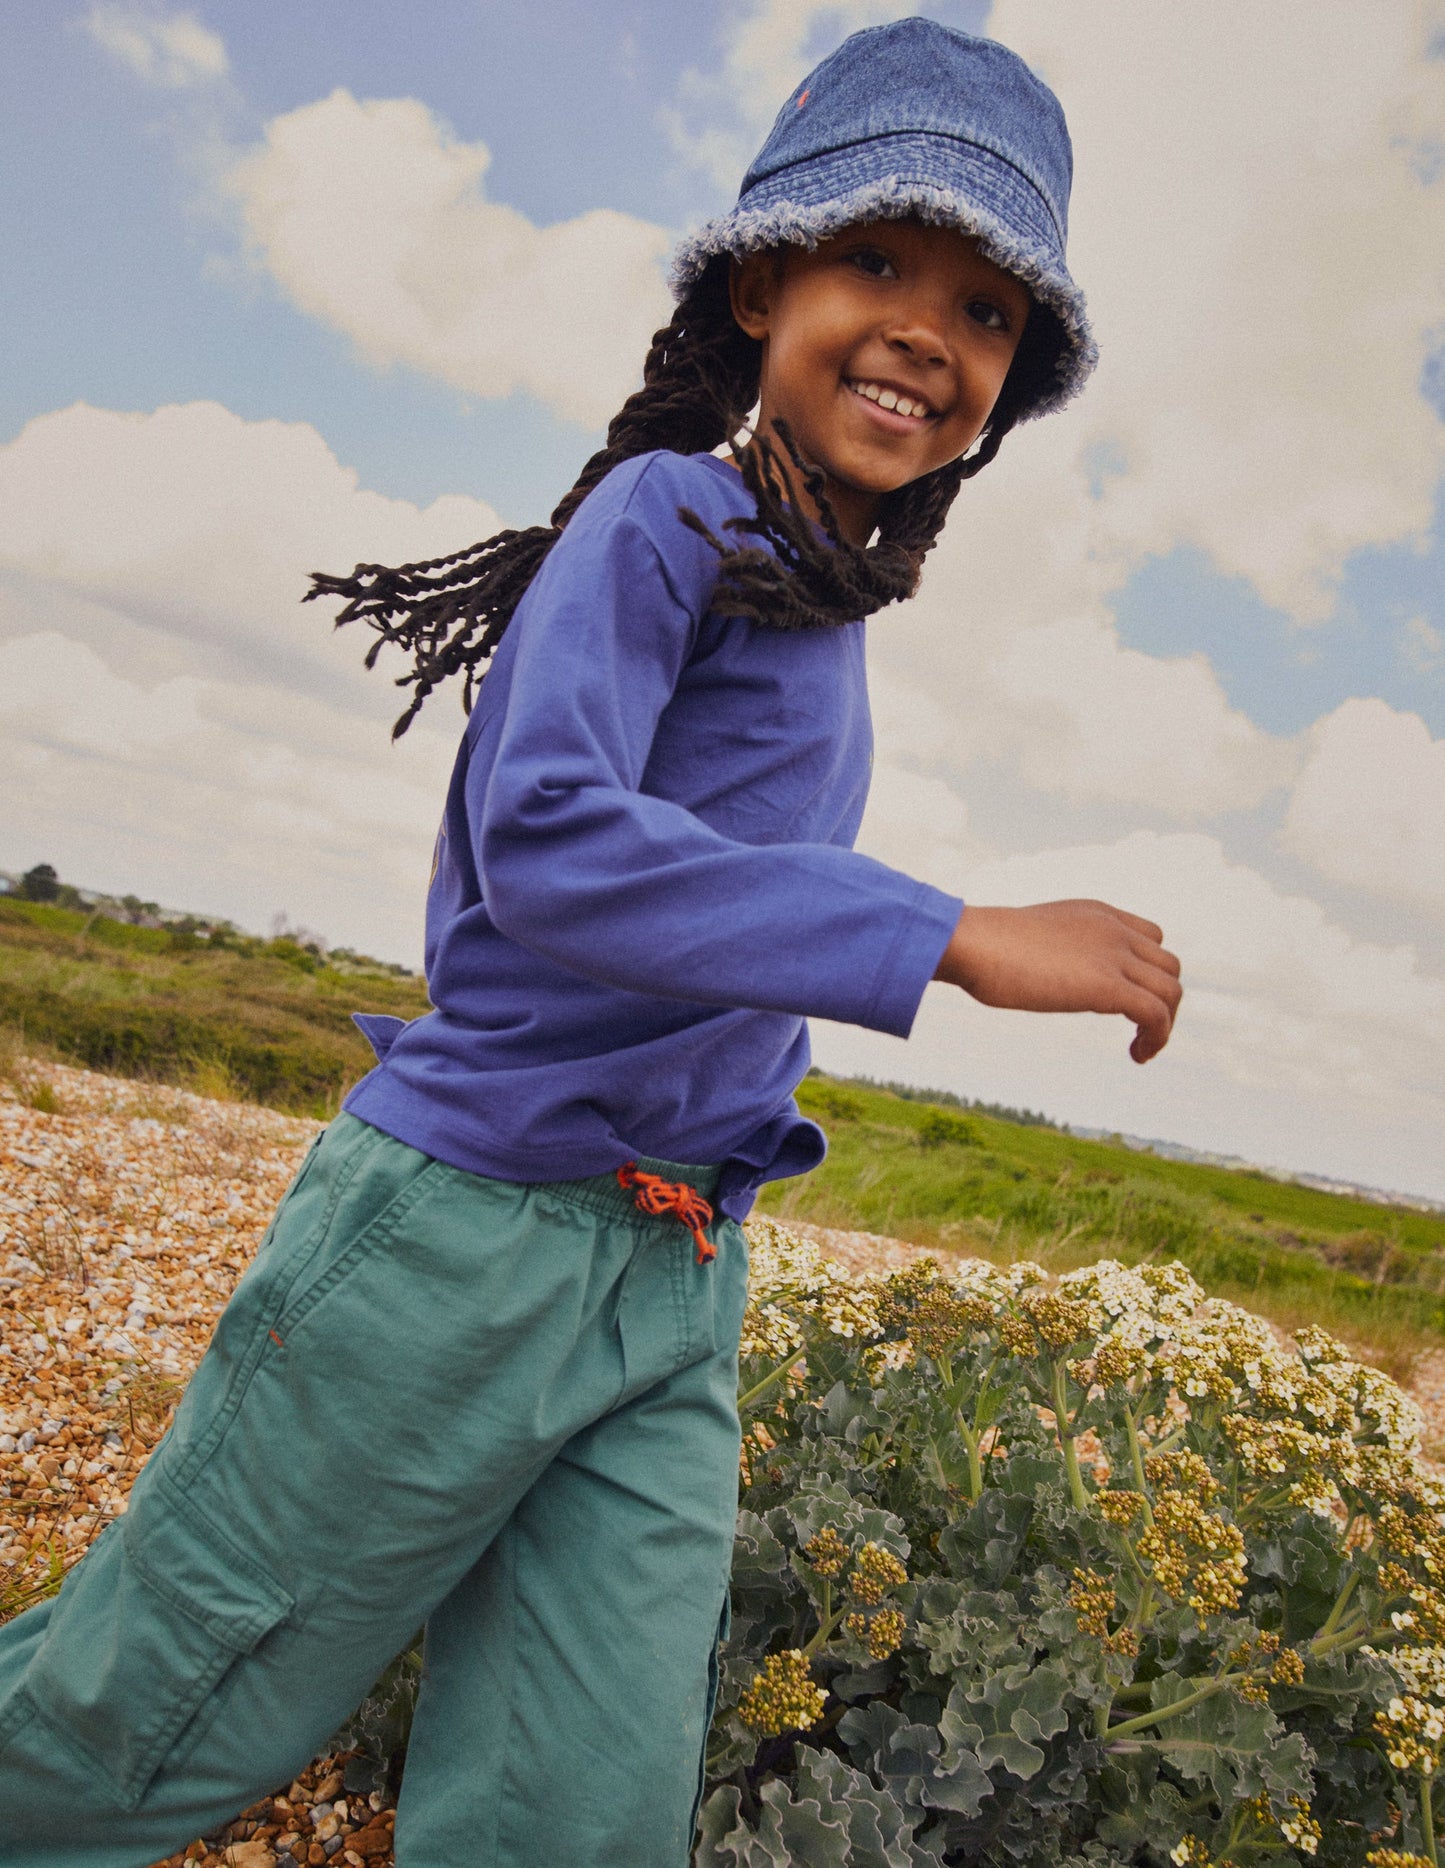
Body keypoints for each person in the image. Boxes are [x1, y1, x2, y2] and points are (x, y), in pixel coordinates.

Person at [0, 18, 1181, 1867]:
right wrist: (942, 933)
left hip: (670, 1266)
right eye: (877, 258)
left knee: (581, 1801)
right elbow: (548, 848)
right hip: (459, 1239)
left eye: (986, 309)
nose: (926, 331)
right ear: (761, 279)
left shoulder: (827, 599)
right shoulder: (662, 518)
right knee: (142, 1730)